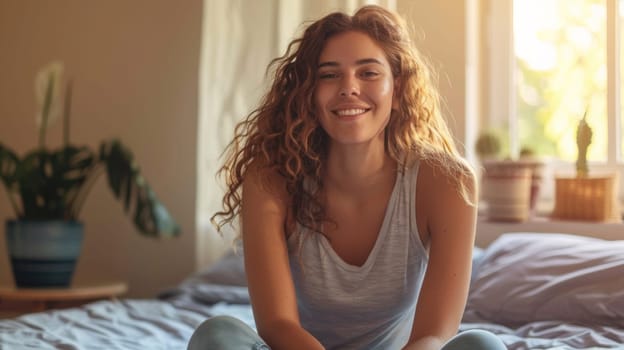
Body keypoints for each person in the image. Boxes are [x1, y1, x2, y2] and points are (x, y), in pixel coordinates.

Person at [188, 5, 506, 350]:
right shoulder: (270, 179)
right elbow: (277, 323)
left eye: (368, 73)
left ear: (397, 91)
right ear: (309, 94)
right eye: (328, 75)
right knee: (216, 335)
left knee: (483, 344)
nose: (349, 88)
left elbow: (433, 335)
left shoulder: (447, 181)